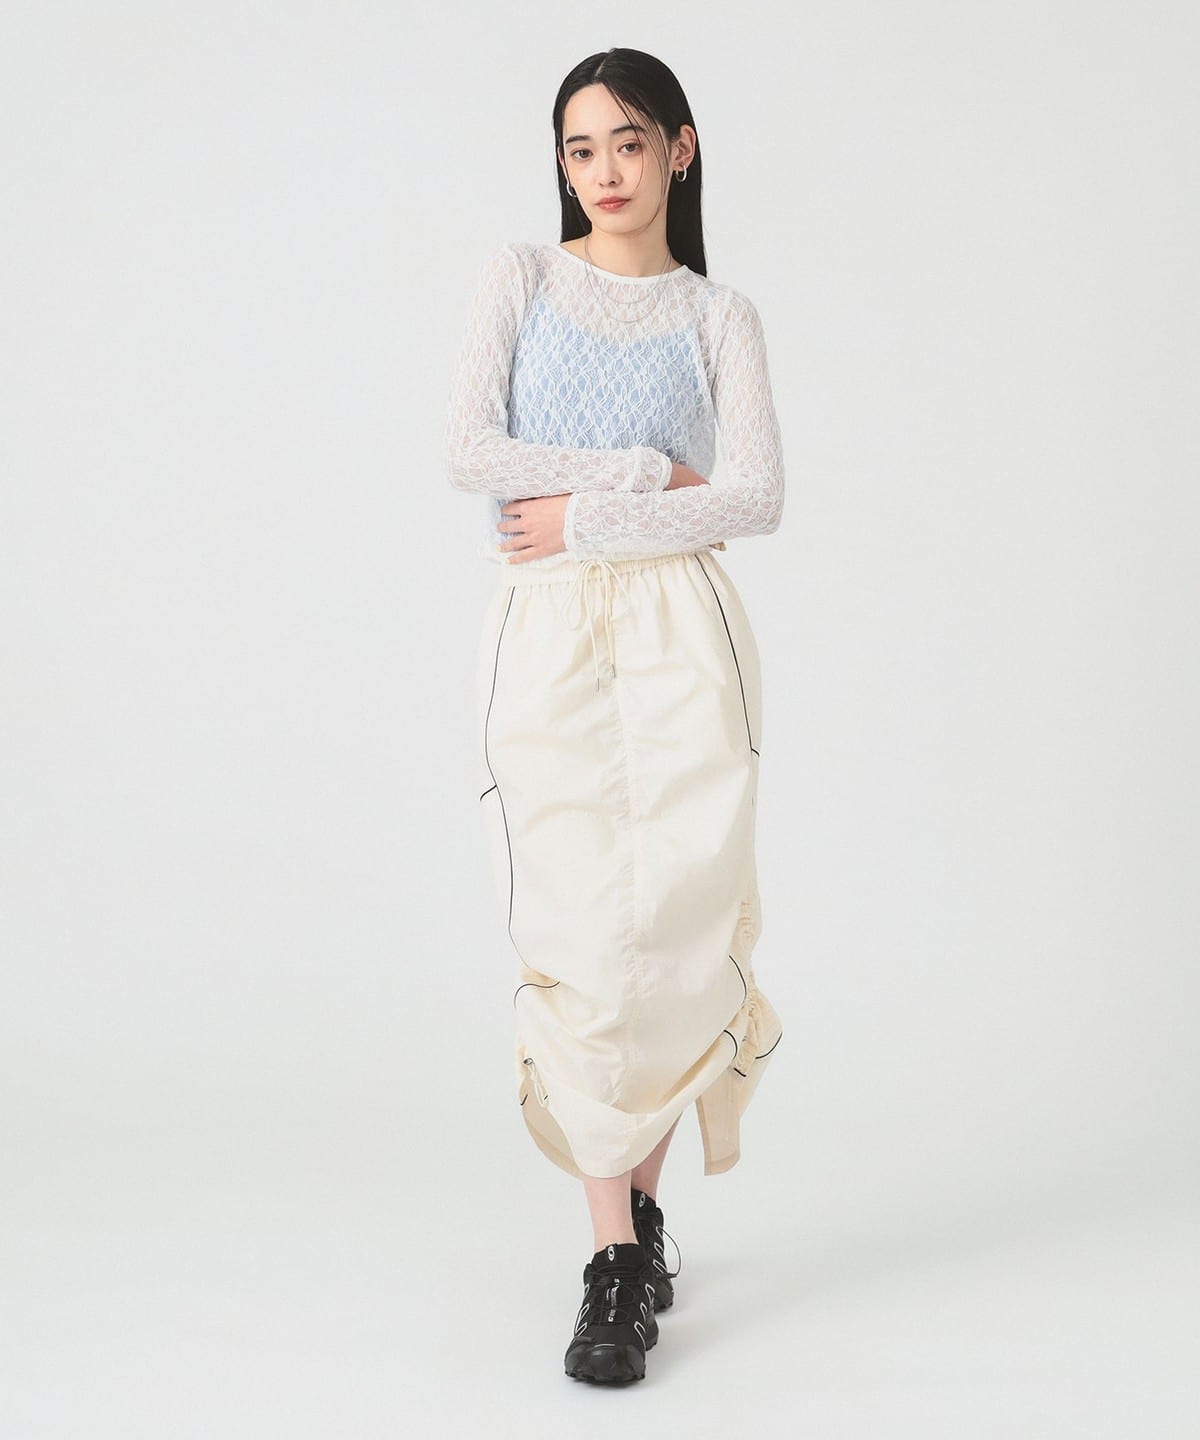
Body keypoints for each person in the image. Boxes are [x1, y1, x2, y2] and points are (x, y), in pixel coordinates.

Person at [444, 47, 786, 1386]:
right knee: (582, 927)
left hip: (684, 636)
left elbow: (754, 498)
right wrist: (650, 473)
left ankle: (627, 1248)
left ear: (679, 149)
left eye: (629, 143)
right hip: (549, 635)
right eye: (580, 149)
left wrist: (587, 516)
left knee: (678, 927)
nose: (605, 172)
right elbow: (471, 453)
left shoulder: (720, 315)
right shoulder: (521, 278)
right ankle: (614, 1246)